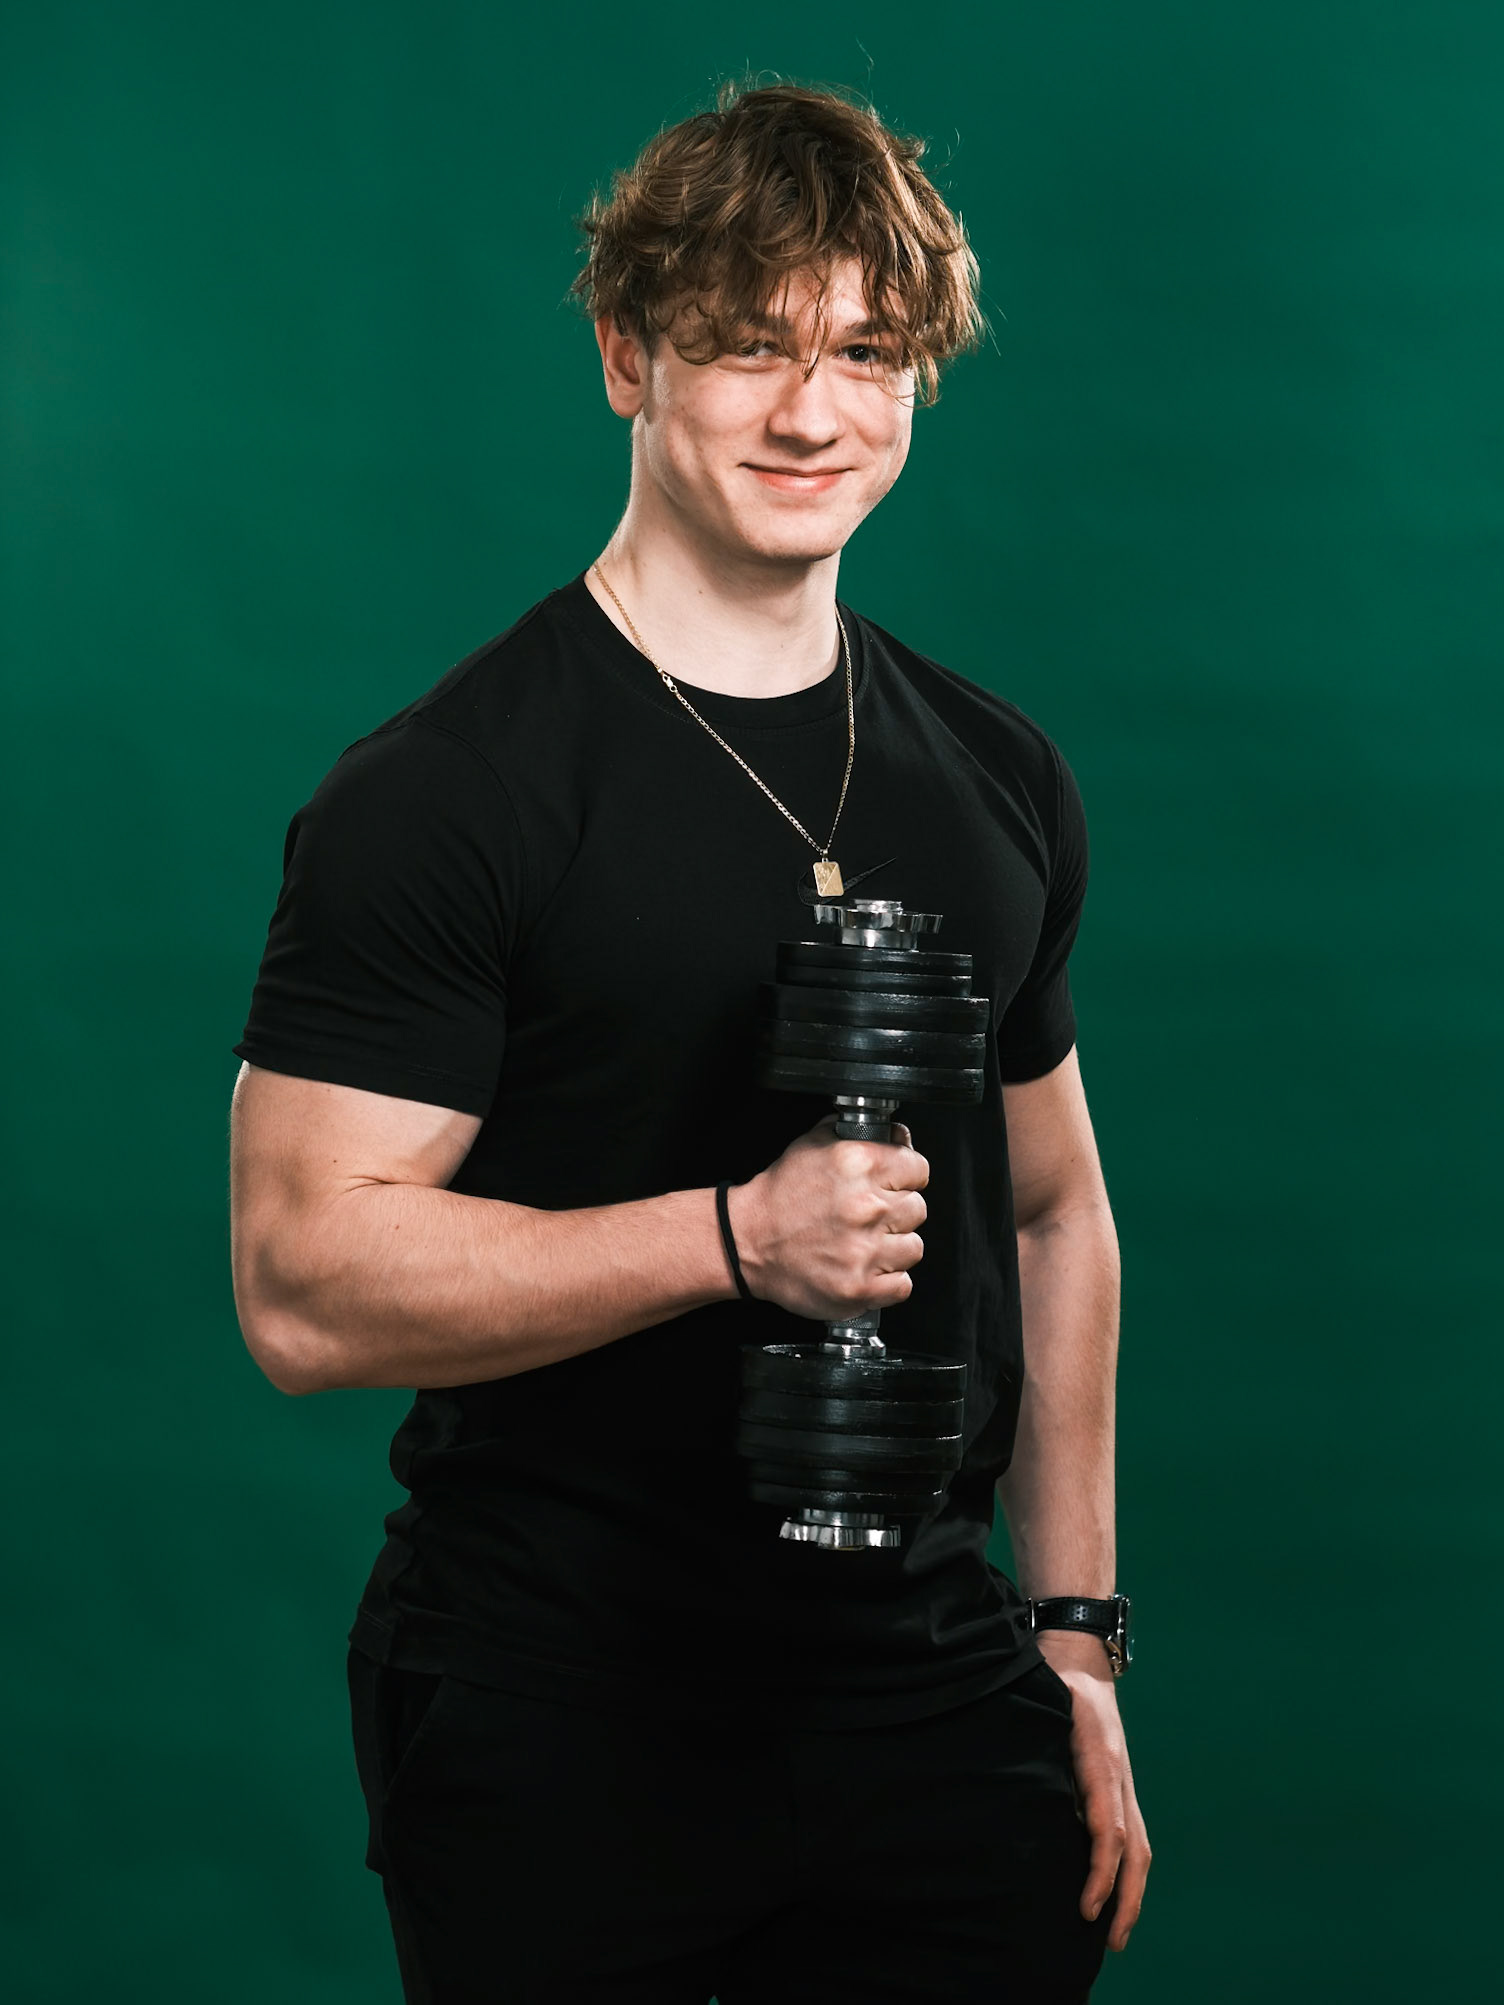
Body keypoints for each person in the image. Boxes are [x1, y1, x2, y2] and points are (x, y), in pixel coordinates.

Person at [229, 77, 1150, 2005]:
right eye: (748, 346)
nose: (814, 413)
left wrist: (1072, 1637)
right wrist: (736, 1236)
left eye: (865, 353)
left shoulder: (997, 776)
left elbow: (1055, 1211)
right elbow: (301, 1285)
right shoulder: (448, 793)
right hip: (561, 1698)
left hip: (929, 1694)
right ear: (627, 356)